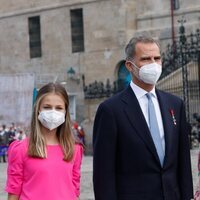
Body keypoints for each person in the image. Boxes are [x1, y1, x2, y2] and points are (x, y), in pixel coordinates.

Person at [93, 35, 193, 200]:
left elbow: (182, 161)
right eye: (145, 59)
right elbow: (104, 173)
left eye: (157, 58)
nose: (153, 64)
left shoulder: (175, 105)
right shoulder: (111, 110)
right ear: (129, 66)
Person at [5, 83, 83, 200]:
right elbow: (13, 193)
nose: (53, 112)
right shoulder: (21, 149)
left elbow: (74, 191)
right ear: (38, 109)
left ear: (66, 112)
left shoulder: (74, 149)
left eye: (59, 108)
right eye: (47, 107)